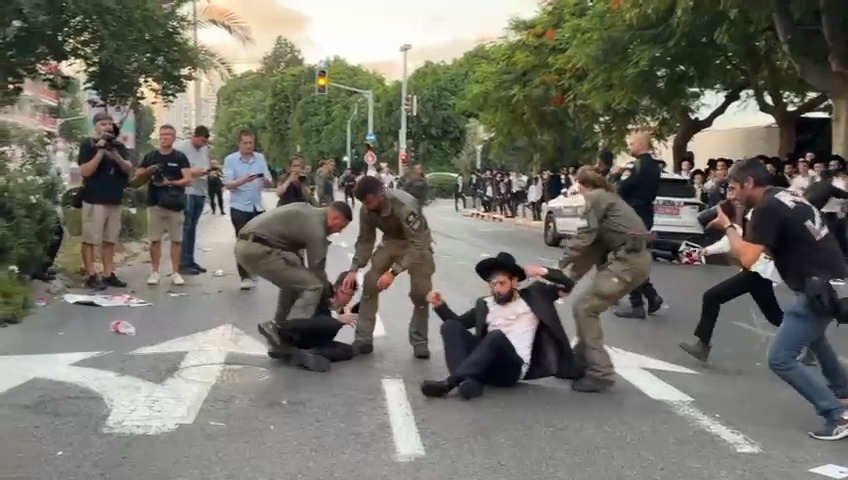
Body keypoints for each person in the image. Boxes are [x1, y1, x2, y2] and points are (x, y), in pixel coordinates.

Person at [706, 157, 848, 440]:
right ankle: (842, 392)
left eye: (734, 187)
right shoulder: (787, 196)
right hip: (832, 281)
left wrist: (729, 227)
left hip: (818, 289)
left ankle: (835, 415)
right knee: (814, 339)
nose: (732, 195)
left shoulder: (765, 209)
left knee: (780, 358)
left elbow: (748, 258)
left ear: (749, 183)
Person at [529, 166, 653, 392]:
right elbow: (592, 252)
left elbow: (583, 240)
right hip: (634, 262)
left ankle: (601, 373)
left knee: (585, 308)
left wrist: (560, 265)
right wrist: (567, 281)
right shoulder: (609, 201)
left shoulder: (595, 198)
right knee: (585, 306)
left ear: (581, 185)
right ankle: (579, 361)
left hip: (627, 263)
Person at [419, 252, 584, 400]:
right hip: (484, 365)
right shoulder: (485, 304)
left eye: (501, 283)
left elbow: (567, 285)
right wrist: (440, 305)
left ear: (514, 282)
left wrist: (542, 271)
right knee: (450, 326)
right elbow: (458, 325)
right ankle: (468, 383)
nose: (496, 289)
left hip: (511, 368)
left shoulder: (535, 296)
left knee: (496, 336)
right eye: (492, 284)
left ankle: (450, 383)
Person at [234, 201, 353, 352]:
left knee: (296, 283)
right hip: (257, 250)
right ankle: (289, 336)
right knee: (313, 286)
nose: (339, 232)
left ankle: (278, 330)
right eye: (340, 227)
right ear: (334, 218)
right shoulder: (317, 228)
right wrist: (330, 299)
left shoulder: (309, 212)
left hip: (251, 245)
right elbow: (317, 272)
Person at [341, 175, 434, 359]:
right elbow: (365, 241)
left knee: (421, 292)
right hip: (392, 242)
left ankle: (420, 341)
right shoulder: (366, 210)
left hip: (417, 245)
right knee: (370, 282)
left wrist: (393, 273)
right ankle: (363, 338)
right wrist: (354, 268)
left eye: (369, 201)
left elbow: (418, 245)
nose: (367, 206)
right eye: (363, 203)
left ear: (381, 193)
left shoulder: (405, 205)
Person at [77, 112, 133, 290]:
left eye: (110, 124)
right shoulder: (88, 145)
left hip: (114, 199)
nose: (107, 127)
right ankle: (91, 274)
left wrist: (115, 154)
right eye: (103, 124)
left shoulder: (117, 146)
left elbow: (127, 168)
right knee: (91, 239)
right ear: (95, 126)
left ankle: (108, 273)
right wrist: (100, 152)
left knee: (110, 240)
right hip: (94, 199)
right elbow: (85, 171)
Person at [611, 132, 664, 319]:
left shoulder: (635, 165)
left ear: (641, 145)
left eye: (631, 143)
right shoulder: (655, 167)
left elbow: (621, 188)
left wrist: (616, 176)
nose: (629, 147)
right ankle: (651, 296)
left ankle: (637, 305)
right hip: (646, 215)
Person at [267, 272, 361, 372]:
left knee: (348, 350)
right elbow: (314, 318)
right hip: (298, 331)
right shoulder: (323, 292)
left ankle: (305, 353)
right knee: (331, 323)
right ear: (336, 288)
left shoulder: (342, 308)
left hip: (314, 340)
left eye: (350, 295)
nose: (346, 298)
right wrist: (337, 319)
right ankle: (290, 347)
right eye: (344, 293)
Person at [135, 125, 192, 286]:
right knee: (154, 239)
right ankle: (155, 272)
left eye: (168, 135)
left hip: (175, 203)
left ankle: (175, 272)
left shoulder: (180, 157)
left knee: (176, 240)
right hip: (155, 202)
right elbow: (138, 175)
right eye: (162, 135)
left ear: (174, 138)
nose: (164, 137)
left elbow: (188, 179)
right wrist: (148, 172)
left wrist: (171, 182)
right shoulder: (151, 156)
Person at [222, 129, 273, 290]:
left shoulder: (260, 158)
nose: (248, 146)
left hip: (257, 206)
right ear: (239, 143)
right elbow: (228, 184)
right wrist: (244, 180)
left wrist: (265, 180)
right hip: (239, 206)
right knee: (242, 242)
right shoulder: (231, 160)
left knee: (257, 243)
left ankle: (252, 269)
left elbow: (269, 180)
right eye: (245, 143)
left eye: (251, 142)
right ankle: (244, 276)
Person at [175, 125, 211, 276]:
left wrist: (210, 171)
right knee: (186, 227)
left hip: (200, 191)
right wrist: (193, 172)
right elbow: (175, 169)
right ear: (194, 136)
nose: (202, 144)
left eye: (205, 142)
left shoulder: (204, 150)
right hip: (187, 190)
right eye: (201, 140)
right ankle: (182, 262)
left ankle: (190, 259)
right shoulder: (181, 148)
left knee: (193, 228)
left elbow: (206, 166)